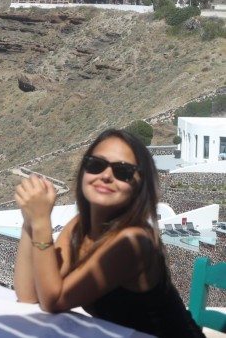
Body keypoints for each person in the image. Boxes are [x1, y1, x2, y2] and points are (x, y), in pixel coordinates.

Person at [13, 129, 205, 337]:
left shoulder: (133, 242)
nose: (105, 176)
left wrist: (42, 223)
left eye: (123, 172)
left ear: (140, 185)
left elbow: (53, 301)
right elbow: (28, 295)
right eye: (96, 165)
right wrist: (30, 221)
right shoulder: (79, 227)